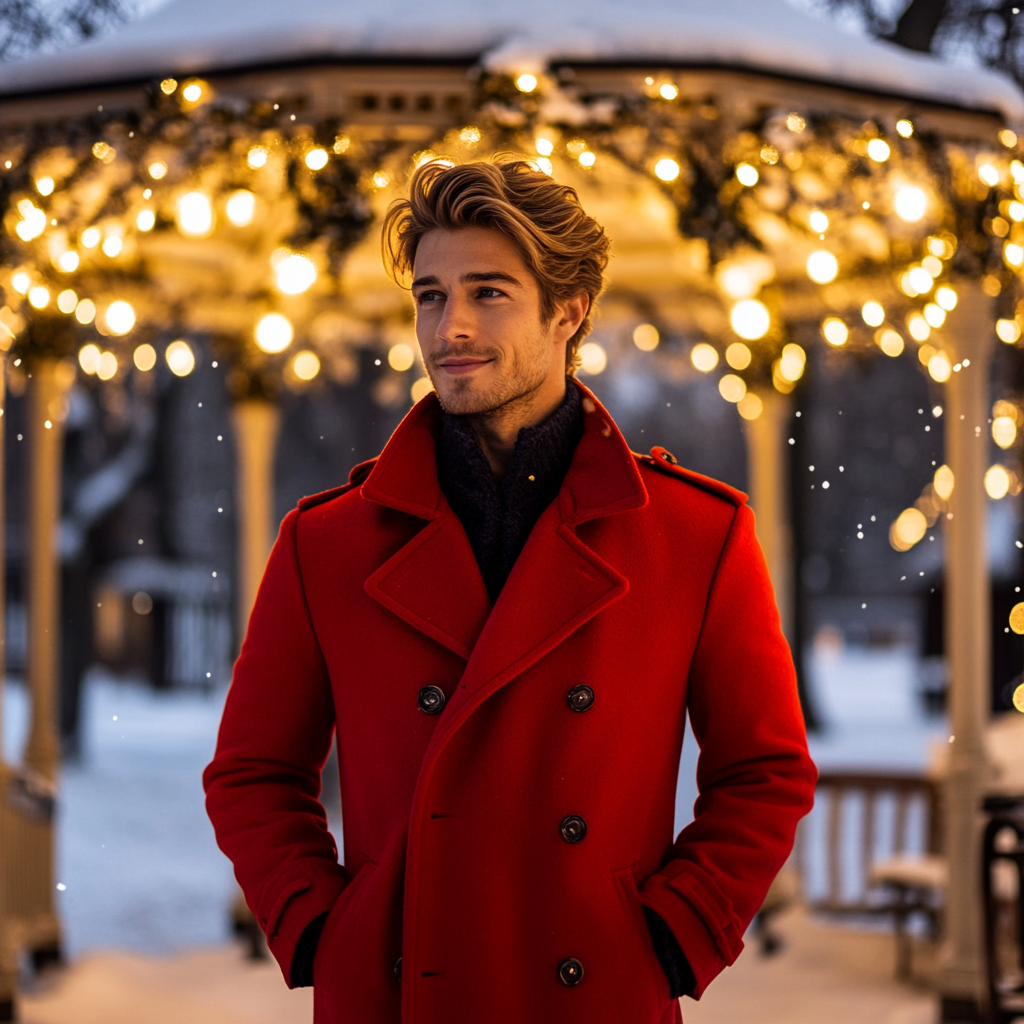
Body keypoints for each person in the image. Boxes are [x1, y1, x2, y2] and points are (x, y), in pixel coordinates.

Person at [204, 158, 816, 1024]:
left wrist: (678, 931)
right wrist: (321, 928)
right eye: (429, 295)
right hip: (395, 992)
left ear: (567, 311)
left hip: (595, 990)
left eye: (488, 292)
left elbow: (764, 770)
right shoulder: (325, 543)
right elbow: (253, 772)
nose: (449, 325)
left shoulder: (696, 536)